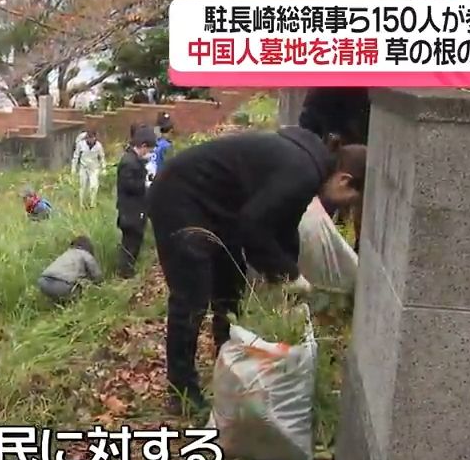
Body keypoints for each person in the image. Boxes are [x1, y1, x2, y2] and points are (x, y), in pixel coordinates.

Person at [148, 127, 366, 416]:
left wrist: (288, 274)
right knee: (192, 296)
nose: (343, 208)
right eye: (349, 200)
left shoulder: (309, 166)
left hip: (219, 207)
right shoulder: (303, 173)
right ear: (344, 180)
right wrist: (287, 275)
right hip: (180, 196)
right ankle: (182, 392)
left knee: (231, 284)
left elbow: (282, 226)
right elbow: (254, 227)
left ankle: (228, 361)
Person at [297, 87, 370, 251]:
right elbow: (310, 118)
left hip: (357, 139)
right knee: (326, 196)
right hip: (330, 139)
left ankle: (355, 247)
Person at [115, 126, 156, 278]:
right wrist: (146, 184)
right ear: (143, 146)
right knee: (130, 244)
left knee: (134, 243)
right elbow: (129, 186)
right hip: (131, 212)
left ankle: (127, 271)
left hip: (135, 211)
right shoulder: (129, 162)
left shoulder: (134, 161)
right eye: (149, 150)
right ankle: (125, 273)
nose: (150, 153)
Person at [37, 236, 103, 302]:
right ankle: (72, 305)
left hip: (43, 281)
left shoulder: (67, 253)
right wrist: (100, 286)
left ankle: (57, 303)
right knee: (81, 287)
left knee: (63, 290)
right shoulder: (85, 254)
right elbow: (96, 274)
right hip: (61, 284)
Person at [71, 129, 106, 208]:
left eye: (92, 138)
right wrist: (73, 168)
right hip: (84, 167)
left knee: (93, 186)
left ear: (94, 138)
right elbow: (76, 156)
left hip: (94, 168)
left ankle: (92, 204)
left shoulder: (98, 146)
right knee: (82, 186)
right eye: (89, 138)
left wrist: (104, 168)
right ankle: (81, 204)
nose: (90, 140)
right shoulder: (81, 144)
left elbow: (102, 157)